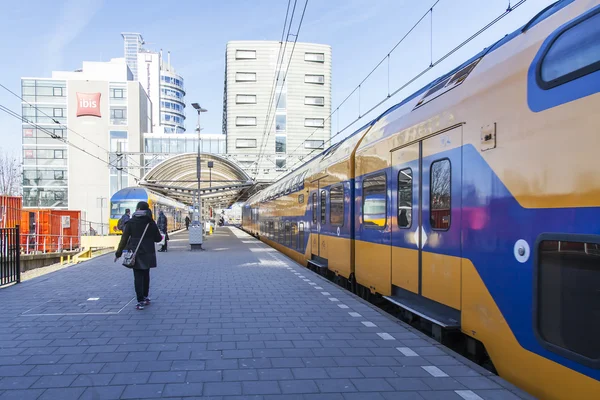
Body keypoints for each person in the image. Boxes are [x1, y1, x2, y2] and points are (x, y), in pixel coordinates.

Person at [115, 201, 162, 310]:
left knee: (138, 277)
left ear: (137, 209)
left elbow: (124, 239)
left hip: (135, 253)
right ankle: (145, 296)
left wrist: (118, 253)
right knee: (146, 274)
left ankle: (140, 300)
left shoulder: (131, 222)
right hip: (148, 253)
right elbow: (158, 238)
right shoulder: (151, 222)